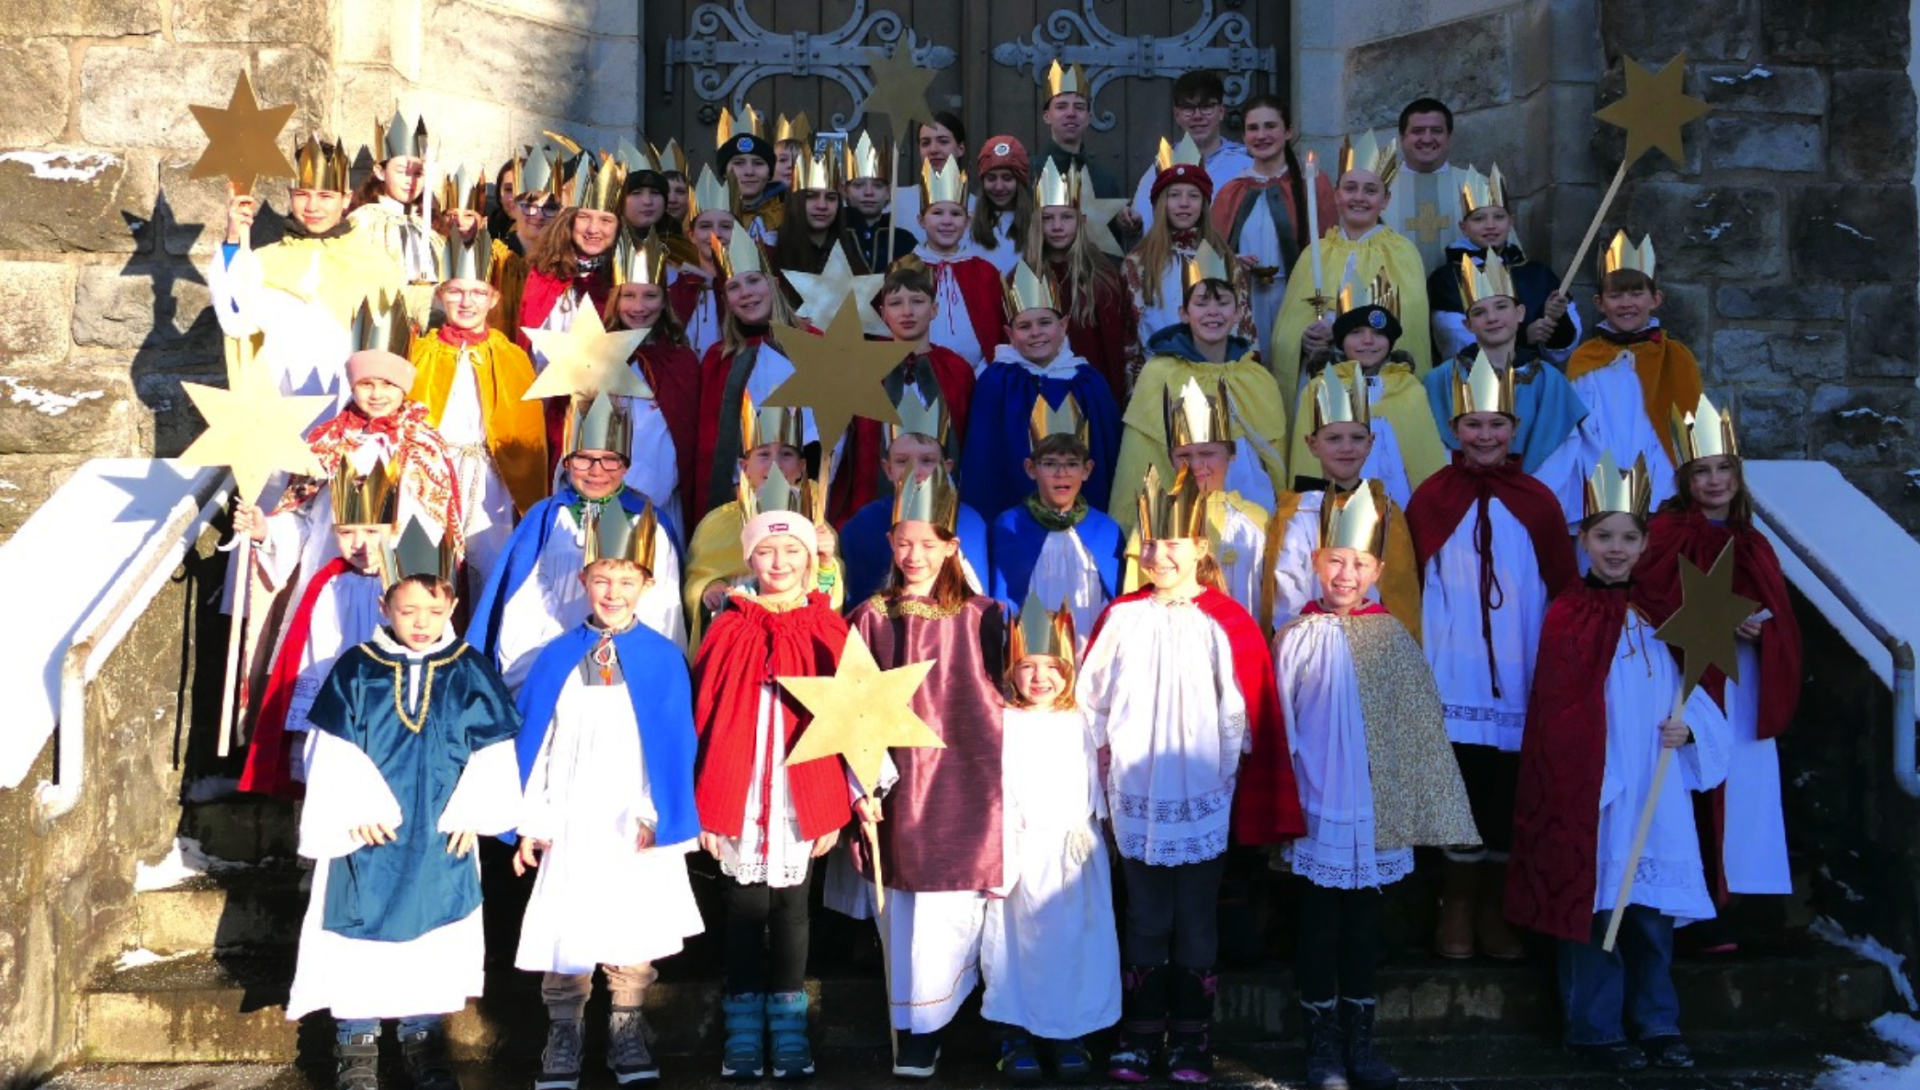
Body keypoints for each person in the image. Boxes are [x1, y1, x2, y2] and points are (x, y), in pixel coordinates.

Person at [1506, 453, 1731, 1073]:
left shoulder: (1664, 615)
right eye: (1603, 536)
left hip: (1656, 794)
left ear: (1644, 542)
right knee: (1596, 912)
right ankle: (1593, 1026)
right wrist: (1591, 776)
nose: (1615, 548)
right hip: (1600, 794)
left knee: (1652, 920)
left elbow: (1698, 689)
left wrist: (1690, 729)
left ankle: (1658, 1023)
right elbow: (1558, 714)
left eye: (1628, 537)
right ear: (1583, 540)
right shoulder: (1568, 616)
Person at [1077, 464, 1300, 1084]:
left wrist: (1224, 779)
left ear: (1200, 548)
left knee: (1197, 917)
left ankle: (1192, 1040)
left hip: (1202, 794)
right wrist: (1101, 762)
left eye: (1173, 544)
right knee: (1145, 915)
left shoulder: (1225, 619)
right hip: (1136, 794)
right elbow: (1091, 700)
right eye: (1150, 544)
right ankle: (1139, 1034)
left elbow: (1246, 711)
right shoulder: (1121, 616)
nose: (1159, 555)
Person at [1273, 484, 1477, 1090]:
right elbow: (1278, 722)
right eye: (1335, 560)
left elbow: (1418, 729)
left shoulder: (1392, 638)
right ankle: (1321, 1049)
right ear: (1315, 562)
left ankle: (1361, 1045)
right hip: (1317, 807)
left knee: (1364, 927)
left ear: (1377, 570)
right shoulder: (1295, 637)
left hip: (1374, 807)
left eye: (1359, 563)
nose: (1345, 573)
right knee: (1316, 925)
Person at [289, 565, 522, 1090]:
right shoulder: (357, 668)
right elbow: (333, 745)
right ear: (384, 608)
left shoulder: (468, 670)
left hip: (443, 828)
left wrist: (476, 811)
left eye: (435, 612)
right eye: (409, 610)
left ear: (453, 609)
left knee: (434, 931)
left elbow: (493, 749)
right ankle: (356, 1043)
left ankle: (424, 1039)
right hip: (368, 831)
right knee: (355, 926)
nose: (422, 622)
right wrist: (355, 804)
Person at [511, 513, 704, 1090]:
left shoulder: (664, 657)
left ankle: (626, 1025)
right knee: (567, 922)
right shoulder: (556, 655)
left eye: (626, 581)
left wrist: (654, 810)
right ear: (584, 582)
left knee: (631, 918)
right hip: (571, 809)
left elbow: (668, 742)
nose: (613, 592)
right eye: (602, 579)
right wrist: (534, 820)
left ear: (646, 585)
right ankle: (564, 1032)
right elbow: (538, 740)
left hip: (632, 814)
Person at [1406, 357, 1578, 960]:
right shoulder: (1431, 497)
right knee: (1461, 785)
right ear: (1455, 428)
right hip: (1451, 669)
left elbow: (1562, 586)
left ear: (1514, 428)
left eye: (1496, 424)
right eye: (1473, 424)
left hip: (1520, 666)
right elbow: (1410, 583)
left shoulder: (1537, 500)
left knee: (1508, 789)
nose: (1484, 436)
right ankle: (1455, 904)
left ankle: (1493, 909)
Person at [845, 466, 1009, 1080]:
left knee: (955, 909)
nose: (915, 555)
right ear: (890, 544)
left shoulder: (986, 618)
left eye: (928, 543)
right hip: (896, 789)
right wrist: (864, 784)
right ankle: (913, 1026)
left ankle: (947, 1020)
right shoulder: (871, 618)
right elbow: (852, 710)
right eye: (904, 542)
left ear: (951, 547)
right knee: (905, 910)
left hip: (969, 787)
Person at [692, 509, 852, 1080]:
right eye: (766, 553)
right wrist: (706, 803)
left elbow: (851, 718)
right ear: (750, 558)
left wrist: (845, 798)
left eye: (791, 554)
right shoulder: (728, 625)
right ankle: (741, 1016)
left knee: (792, 909)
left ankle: (787, 1019)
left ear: (811, 561)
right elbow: (704, 716)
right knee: (742, 907)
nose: (779, 564)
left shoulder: (829, 627)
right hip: (739, 785)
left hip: (800, 788)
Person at [1637, 397, 1801, 929]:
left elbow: (1782, 618)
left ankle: (1736, 909)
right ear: (1685, 478)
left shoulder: (1753, 541)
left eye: (1723, 469)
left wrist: (1761, 626)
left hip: (1742, 681)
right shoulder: (1662, 534)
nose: (1714, 481)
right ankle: (1688, 905)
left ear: (1737, 473)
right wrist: (1714, 618)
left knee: (1744, 792)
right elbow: (1647, 599)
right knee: (1691, 785)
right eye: (1701, 471)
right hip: (1687, 682)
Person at [983, 596, 1120, 1083]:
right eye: (1027, 667)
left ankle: (1070, 1032)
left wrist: (1097, 824)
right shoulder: (1003, 721)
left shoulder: (1081, 720)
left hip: (1072, 851)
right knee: (1016, 944)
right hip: (1020, 848)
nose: (1040, 678)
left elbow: (1097, 776)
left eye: (1051, 667)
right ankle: (1015, 1033)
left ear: (1069, 668)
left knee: (1073, 941)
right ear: (1011, 670)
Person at [468, 393, 687, 687]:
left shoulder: (650, 524)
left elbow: (662, 604)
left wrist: (629, 659)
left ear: (625, 465)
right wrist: (557, 660)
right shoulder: (545, 519)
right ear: (567, 462)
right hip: (551, 663)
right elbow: (523, 601)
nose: (596, 471)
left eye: (610, 460)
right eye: (584, 459)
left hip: (626, 669)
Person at [249, 324, 464, 607]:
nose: (377, 394)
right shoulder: (329, 441)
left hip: (402, 579)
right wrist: (267, 532)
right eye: (366, 384)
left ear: (404, 387)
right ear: (352, 385)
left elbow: (438, 523)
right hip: (330, 570)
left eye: (388, 384)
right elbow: (301, 516)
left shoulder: (425, 444)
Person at [236, 465, 401, 799]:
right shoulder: (328, 584)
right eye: (347, 533)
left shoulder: (402, 587)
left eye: (371, 532)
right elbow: (314, 648)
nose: (360, 544)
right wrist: (264, 530)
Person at [209, 134, 401, 406]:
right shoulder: (262, 260)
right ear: (290, 196)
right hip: (277, 400)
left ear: (346, 199)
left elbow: (389, 349)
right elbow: (233, 315)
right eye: (302, 195)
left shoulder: (375, 264)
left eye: (325, 196)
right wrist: (233, 239)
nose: (312, 207)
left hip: (347, 405)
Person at [407, 226, 549, 588]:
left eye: (478, 293)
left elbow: (526, 435)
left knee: (490, 570)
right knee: (425, 567)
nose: (466, 302)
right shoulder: (419, 353)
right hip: (429, 477)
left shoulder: (511, 357)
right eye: (455, 291)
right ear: (440, 296)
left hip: (490, 482)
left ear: (495, 299)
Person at [1114, 254, 1287, 517]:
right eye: (1201, 303)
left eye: (1223, 302)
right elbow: (1141, 458)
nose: (1213, 312)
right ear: (1183, 313)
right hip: (1186, 494)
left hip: (1251, 495)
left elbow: (1274, 456)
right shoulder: (1160, 373)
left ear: (1238, 312)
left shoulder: (1256, 376)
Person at [1422, 251, 1589, 516]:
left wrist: (1526, 496)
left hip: (1530, 506)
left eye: (1501, 307)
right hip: (1461, 507)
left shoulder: (1549, 381)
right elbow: (1431, 445)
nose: (1492, 318)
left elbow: (1562, 450)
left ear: (1520, 313)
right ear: (1467, 324)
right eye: (1480, 312)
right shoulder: (1441, 380)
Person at [1271, 129, 1432, 403]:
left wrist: (1338, 330)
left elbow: (1409, 323)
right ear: (1336, 195)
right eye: (1350, 188)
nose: (1359, 197)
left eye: (1371, 190)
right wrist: (1304, 335)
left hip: (1379, 382)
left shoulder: (1402, 252)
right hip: (1321, 378)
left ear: (1386, 200)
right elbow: (1288, 325)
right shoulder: (1316, 252)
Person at [1264, 371, 1422, 638]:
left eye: (1357, 438)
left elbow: (1401, 591)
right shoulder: (1298, 511)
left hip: (1373, 645)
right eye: (1333, 438)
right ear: (1312, 444)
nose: (1346, 448)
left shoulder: (1386, 513)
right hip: (1311, 647)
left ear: (1371, 443)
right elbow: (1287, 589)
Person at [959, 260, 1121, 519]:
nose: (1036, 333)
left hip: (1086, 515)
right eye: (1024, 326)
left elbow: (1109, 453)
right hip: (1015, 521)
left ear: (1064, 325)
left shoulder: (1089, 381)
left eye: (1045, 322)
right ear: (1009, 334)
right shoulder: (997, 382)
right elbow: (984, 462)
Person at [826, 265, 976, 524]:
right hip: (873, 496)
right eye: (896, 303)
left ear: (934, 309)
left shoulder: (956, 369)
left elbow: (966, 436)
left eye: (917, 301)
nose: (907, 311)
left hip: (940, 502)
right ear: (883, 314)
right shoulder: (863, 367)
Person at [683, 401, 839, 646]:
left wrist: (827, 561)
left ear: (801, 467)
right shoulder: (719, 521)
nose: (775, 464)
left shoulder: (815, 517)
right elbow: (697, 576)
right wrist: (710, 587)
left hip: (802, 637)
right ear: (744, 468)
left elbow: (831, 589)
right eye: (764, 454)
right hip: (739, 637)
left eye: (786, 454)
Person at [1287, 277, 1447, 502]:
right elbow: (1306, 459)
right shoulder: (1318, 389)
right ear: (1341, 341)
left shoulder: (1408, 389)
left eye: (1378, 334)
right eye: (1356, 332)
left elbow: (1425, 454)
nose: (1368, 341)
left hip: (1400, 497)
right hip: (1336, 502)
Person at [1122, 379, 1271, 616]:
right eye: (1184, 455)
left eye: (1207, 453)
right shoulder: (1155, 518)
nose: (1196, 464)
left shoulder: (1256, 519)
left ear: (1231, 453)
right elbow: (1136, 594)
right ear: (1170, 458)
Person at [691, 228, 807, 521]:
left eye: (754, 281)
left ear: (775, 284)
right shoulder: (720, 359)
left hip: (804, 494)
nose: (746, 293)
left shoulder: (813, 346)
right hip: (738, 500)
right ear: (726, 298)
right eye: (734, 287)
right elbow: (712, 444)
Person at [1565, 233, 1703, 478]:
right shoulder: (1585, 359)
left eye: (1636, 294)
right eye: (1615, 296)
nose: (1625, 303)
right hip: (1598, 479)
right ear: (1599, 303)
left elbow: (1688, 420)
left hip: (1662, 480)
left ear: (1655, 299)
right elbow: (1578, 426)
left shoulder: (1675, 357)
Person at [1211, 94, 1336, 358]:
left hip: (1297, 300)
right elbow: (1211, 255)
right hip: (1245, 300)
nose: (1261, 135)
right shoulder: (1231, 191)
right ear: (1244, 136)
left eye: (1270, 126)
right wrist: (1231, 261)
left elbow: (1332, 250)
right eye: (1253, 128)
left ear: (1288, 131)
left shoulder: (1312, 184)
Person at [988, 413, 1124, 649]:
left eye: (1072, 464)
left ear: (1087, 469)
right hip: (1031, 651)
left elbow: (1118, 599)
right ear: (1031, 469)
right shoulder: (1008, 525)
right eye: (1050, 463)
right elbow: (1000, 600)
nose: (1062, 473)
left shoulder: (1106, 529)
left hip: (1090, 644)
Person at [839, 393, 991, 604]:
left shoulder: (969, 522)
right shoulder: (863, 523)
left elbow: (977, 599)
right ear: (887, 468)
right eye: (902, 461)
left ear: (946, 468)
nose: (915, 471)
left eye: (927, 460)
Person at [1121, 141, 1253, 378]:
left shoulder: (1224, 259)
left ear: (1204, 204)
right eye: (1174, 195)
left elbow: (1243, 328)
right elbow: (1130, 336)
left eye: (1193, 195)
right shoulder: (1138, 263)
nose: (1184, 203)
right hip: (1159, 377)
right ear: (1161, 203)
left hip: (1218, 375)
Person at [1428, 164, 1577, 366]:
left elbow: (1561, 351)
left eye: (1499, 217)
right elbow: (1454, 340)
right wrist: (1525, 336)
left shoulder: (1538, 274)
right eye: (1479, 218)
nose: (1490, 225)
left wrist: (1557, 321)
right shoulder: (1446, 278)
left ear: (1510, 222)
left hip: (1531, 379)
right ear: (1464, 227)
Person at [603, 231, 703, 528]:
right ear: (615, 299)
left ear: (664, 302)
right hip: (600, 491)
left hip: (659, 496)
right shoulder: (596, 356)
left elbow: (684, 437)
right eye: (629, 295)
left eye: (650, 295)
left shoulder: (680, 360)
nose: (639, 307)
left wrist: (647, 487)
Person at [1023, 159, 1135, 401]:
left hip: (1092, 393)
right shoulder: (1022, 276)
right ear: (1036, 223)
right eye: (1047, 218)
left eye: (1066, 217)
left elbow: (1114, 347)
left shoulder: (1102, 275)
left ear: (1081, 221)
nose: (1057, 226)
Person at [518, 154, 625, 367]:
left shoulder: (623, 280)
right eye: (584, 218)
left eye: (606, 220)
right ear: (569, 221)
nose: (593, 229)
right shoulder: (544, 274)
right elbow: (528, 345)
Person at [912, 156, 1008, 376]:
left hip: (976, 376)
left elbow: (997, 327)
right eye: (937, 213)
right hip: (921, 375)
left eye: (956, 214)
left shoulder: (985, 272)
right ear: (921, 220)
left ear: (967, 222)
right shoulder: (906, 269)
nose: (947, 221)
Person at [1128, 71, 1253, 233]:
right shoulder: (1162, 167)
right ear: (1177, 115)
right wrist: (1133, 224)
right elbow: (1146, 229)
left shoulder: (1245, 166)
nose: (1198, 116)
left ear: (1221, 111)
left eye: (1207, 107)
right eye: (1188, 108)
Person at [347, 111, 436, 284]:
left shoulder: (425, 225)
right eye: (402, 172)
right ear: (380, 172)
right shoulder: (364, 220)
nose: (411, 181)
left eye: (418, 173)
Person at [1383, 98, 1465, 271]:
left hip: (1461, 295)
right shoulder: (1377, 188)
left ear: (1448, 137)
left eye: (1436, 131)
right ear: (1402, 138)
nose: (1427, 139)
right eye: (1417, 131)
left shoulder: (1475, 184)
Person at [1036, 60, 1127, 212]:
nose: (1071, 113)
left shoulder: (1104, 182)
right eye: (1061, 106)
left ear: (1088, 117)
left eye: (1079, 107)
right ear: (1047, 116)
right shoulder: (1028, 175)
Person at [668, 166, 738, 358]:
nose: (715, 234)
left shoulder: (752, 287)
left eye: (726, 226)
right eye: (705, 226)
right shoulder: (677, 287)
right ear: (691, 235)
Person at [770, 147, 867, 277]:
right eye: (811, 196)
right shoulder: (770, 250)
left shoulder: (852, 253)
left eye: (831, 198)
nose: (822, 205)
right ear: (796, 200)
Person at [841, 131, 918, 273]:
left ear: (888, 192)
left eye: (878, 186)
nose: (869, 192)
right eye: (858, 185)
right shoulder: (834, 237)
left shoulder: (904, 241)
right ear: (845, 191)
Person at [889, 111, 970, 243]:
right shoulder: (895, 200)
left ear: (960, 148)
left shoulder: (978, 208)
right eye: (925, 143)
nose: (933, 150)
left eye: (943, 141)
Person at [969, 136, 1036, 274]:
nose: (999, 187)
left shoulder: (1036, 226)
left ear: (1019, 182)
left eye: (1007, 178)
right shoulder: (966, 227)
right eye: (991, 178)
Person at [719, 109, 785, 244]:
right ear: (725, 172)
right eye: (738, 163)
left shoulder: (787, 215)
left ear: (769, 173)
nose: (749, 171)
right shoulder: (706, 216)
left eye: (758, 163)